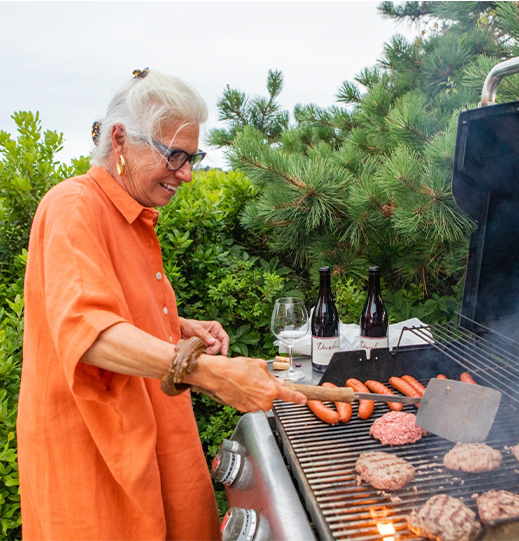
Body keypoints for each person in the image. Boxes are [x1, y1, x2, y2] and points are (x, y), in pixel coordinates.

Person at [17, 68, 307, 540]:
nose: (187, 174)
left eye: (193, 157)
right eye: (175, 155)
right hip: (96, 458)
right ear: (119, 140)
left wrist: (174, 324)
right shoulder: (72, 205)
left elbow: (116, 310)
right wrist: (213, 374)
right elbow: (88, 332)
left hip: (157, 437)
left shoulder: (133, 217)